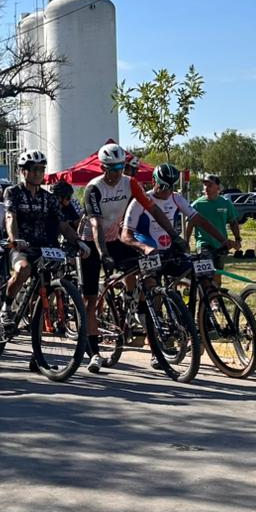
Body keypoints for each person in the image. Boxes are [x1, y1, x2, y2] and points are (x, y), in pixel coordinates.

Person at [80, 144, 179, 373]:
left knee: (147, 274)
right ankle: (94, 353)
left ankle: (135, 304)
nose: (118, 172)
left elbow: (154, 209)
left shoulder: (130, 183)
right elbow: (95, 224)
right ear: (103, 167)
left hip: (114, 239)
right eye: (113, 168)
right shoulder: (94, 188)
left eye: (121, 167)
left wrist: (175, 236)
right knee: (90, 299)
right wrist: (103, 254)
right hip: (92, 242)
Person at [0, 150, 86, 371]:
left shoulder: (49, 198)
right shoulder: (13, 192)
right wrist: (14, 239)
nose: (39, 173)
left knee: (42, 300)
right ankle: (6, 307)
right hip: (22, 246)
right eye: (34, 169)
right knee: (23, 269)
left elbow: (63, 225)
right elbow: (10, 216)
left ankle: (36, 356)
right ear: (23, 171)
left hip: (45, 250)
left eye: (41, 169)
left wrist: (79, 241)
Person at [183, 174, 244, 285]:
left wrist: (238, 239)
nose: (206, 188)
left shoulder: (225, 203)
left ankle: (215, 293)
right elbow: (189, 225)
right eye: (205, 185)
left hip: (221, 245)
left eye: (210, 185)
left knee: (217, 275)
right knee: (206, 275)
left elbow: (233, 223)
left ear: (218, 187)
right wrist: (186, 243)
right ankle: (207, 294)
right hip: (204, 245)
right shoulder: (197, 205)